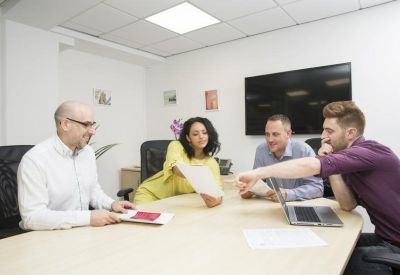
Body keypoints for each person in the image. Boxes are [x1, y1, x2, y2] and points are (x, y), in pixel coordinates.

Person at [236, 101, 400, 275]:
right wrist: (334, 169)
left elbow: (312, 165)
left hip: (395, 244)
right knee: (333, 243)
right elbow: (347, 205)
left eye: (329, 131)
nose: (323, 136)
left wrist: (258, 173)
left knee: (337, 260)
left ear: (351, 132)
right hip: (384, 238)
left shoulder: (370, 151)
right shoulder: (350, 161)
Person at [18, 100, 135, 230]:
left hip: (82, 231)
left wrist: (112, 204)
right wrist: (88, 218)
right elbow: (32, 218)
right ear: (65, 124)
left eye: (92, 125)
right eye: (86, 125)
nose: (92, 131)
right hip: (46, 236)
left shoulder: (87, 152)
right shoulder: (35, 160)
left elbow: (93, 191)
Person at [134, 117, 223, 208]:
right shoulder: (177, 146)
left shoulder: (211, 163)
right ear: (188, 138)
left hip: (175, 203)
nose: (201, 136)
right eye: (195, 134)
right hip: (151, 194)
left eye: (205, 132)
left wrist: (215, 200)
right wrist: (202, 176)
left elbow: (217, 192)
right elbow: (177, 170)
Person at [241, 114, 323, 201]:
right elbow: (258, 182)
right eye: (267, 134)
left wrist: (289, 194)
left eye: (275, 134)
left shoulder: (303, 150)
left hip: (300, 205)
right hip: (272, 206)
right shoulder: (261, 150)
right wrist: (248, 189)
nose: (270, 140)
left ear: (288, 134)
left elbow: (317, 188)